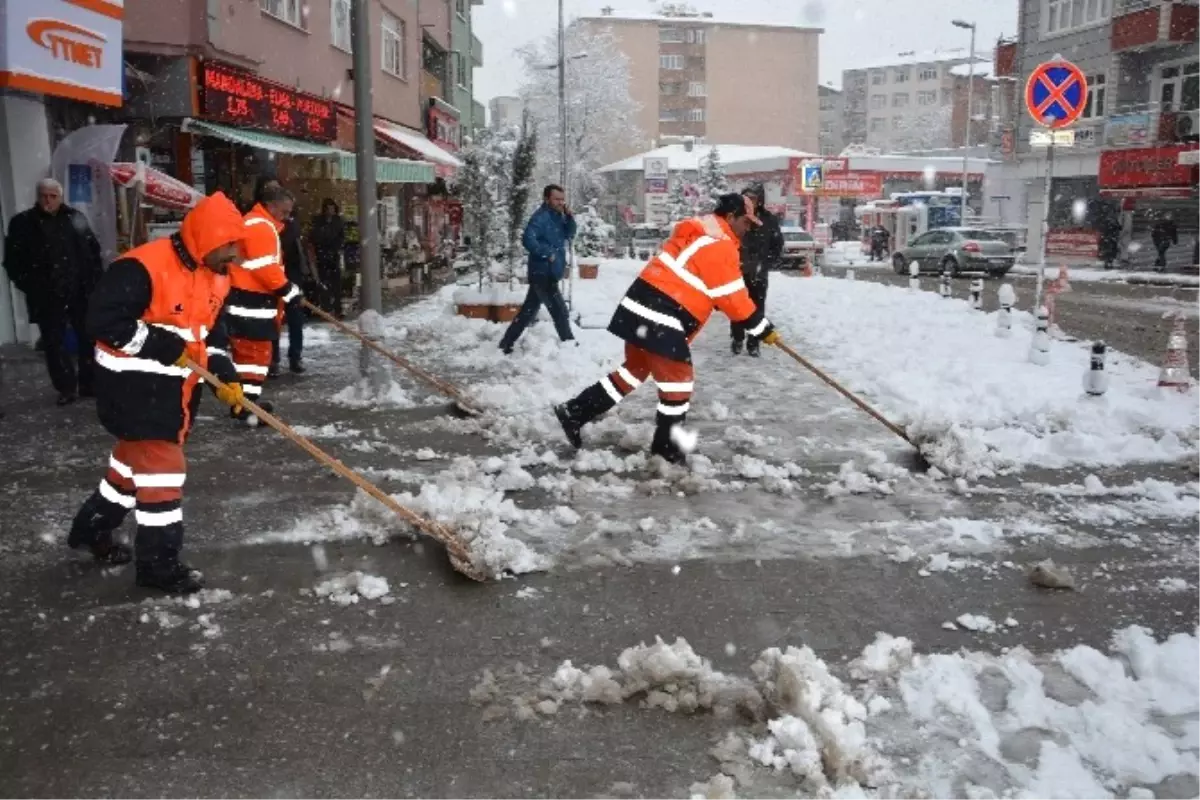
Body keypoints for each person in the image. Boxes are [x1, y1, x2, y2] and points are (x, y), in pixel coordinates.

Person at [66, 192, 248, 594]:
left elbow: (208, 334)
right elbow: (103, 320)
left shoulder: (216, 273)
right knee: (163, 476)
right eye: (230, 245)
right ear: (209, 237)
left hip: (175, 393)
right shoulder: (142, 266)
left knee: (128, 471)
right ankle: (158, 566)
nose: (235, 255)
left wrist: (224, 374)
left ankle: (90, 529)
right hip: (134, 391)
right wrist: (163, 345)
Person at [553, 193, 781, 465]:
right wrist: (761, 328)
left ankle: (575, 411)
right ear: (730, 217)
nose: (749, 228)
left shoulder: (701, 235)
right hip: (662, 314)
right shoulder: (718, 244)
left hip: (641, 306)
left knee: (634, 370)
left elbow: (704, 284)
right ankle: (666, 450)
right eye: (746, 221)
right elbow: (733, 299)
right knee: (678, 382)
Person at [2, 178, 104, 405]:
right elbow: (13, 261)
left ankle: (89, 383)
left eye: (52, 196)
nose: (48, 200)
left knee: (88, 338)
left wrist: (94, 282)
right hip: (47, 295)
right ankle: (66, 388)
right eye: (44, 196)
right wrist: (31, 286)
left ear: (60, 197)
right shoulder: (23, 223)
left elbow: (92, 252)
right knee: (54, 343)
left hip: (80, 292)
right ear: (37, 197)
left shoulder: (74, 218)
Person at [227, 184, 303, 422]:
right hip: (252, 300)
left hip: (247, 297)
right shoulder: (261, 226)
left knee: (250, 356)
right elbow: (265, 268)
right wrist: (288, 291)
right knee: (256, 355)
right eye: (284, 211)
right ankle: (246, 405)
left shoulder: (255, 223)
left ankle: (245, 402)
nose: (286, 216)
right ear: (270, 206)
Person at [498, 184, 577, 355]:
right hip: (542, 272)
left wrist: (570, 218)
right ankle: (569, 345)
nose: (561, 202)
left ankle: (506, 342)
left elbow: (569, 234)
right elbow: (528, 239)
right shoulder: (540, 218)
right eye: (556, 199)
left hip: (550, 271)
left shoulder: (558, 217)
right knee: (559, 311)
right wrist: (547, 253)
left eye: (562, 199)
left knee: (528, 311)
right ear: (546, 199)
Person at [731, 185, 783, 358]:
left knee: (757, 309)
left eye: (753, 198)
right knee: (736, 307)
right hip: (737, 271)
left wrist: (766, 264)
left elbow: (777, 245)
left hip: (759, 274)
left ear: (760, 200)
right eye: (746, 197)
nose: (750, 201)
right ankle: (737, 337)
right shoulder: (736, 217)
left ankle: (754, 342)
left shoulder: (769, 220)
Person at [270, 206, 313, 376]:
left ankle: (294, 356)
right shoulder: (267, 225)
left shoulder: (291, 225)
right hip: (273, 278)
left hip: (292, 277)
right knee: (274, 320)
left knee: (295, 320)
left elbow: (297, 250)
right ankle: (274, 359)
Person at [309, 198, 346, 318]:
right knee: (324, 283)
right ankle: (326, 309)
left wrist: (337, 247)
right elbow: (314, 237)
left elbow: (341, 237)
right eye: (328, 208)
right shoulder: (319, 222)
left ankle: (337, 309)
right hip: (322, 255)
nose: (330, 211)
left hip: (333, 255)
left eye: (332, 208)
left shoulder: (338, 221)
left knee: (336, 284)